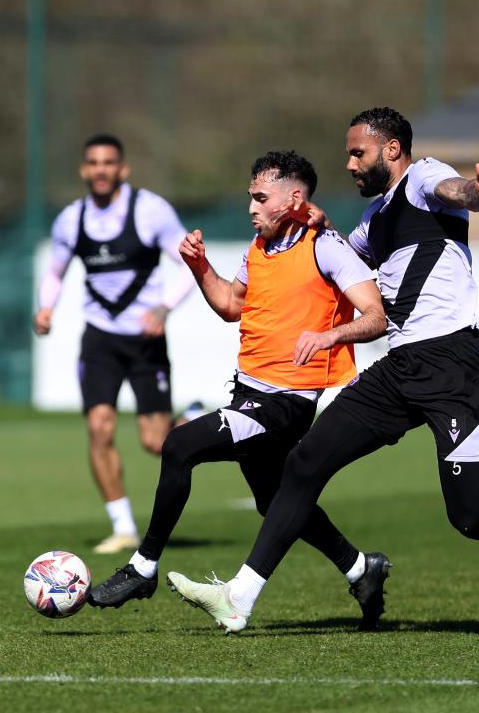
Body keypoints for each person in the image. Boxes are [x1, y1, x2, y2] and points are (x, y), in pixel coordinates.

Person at [167, 107, 479, 633]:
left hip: (454, 365)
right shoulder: (371, 222)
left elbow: (456, 190)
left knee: (471, 515)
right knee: (305, 461)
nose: (351, 165)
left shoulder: (424, 177)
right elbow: (335, 260)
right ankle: (239, 598)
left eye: (357, 153)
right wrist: (310, 222)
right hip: (400, 368)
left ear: (391, 151)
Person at [87, 150, 393, 629]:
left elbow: (376, 316)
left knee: (180, 444)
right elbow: (231, 303)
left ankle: (144, 566)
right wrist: (199, 265)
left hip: (285, 404)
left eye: (260, 197)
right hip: (249, 394)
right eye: (250, 196)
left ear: (294, 198)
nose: (251, 206)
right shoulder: (260, 247)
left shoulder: (326, 246)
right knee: (276, 504)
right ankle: (361, 569)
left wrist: (331, 335)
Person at [33, 133, 198, 555]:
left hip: (145, 340)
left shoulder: (150, 211)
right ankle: (123, 526)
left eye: (109, 162)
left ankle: (192, 420)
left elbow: (190, 264)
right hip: (100, 338)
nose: (101, 169)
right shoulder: (71, 219)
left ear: (122, 169)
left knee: (155, 442)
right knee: (99, 427)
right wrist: (45, 308)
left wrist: (163, 308)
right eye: (93, 163)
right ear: (84, 170)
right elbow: (55, 272)